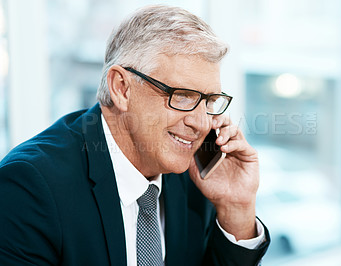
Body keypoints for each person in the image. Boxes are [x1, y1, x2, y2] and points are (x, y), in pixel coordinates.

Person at [0, 5, 270, 266]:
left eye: (209, 100)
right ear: (121, 88)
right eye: (183, 96)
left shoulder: (194, 176)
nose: (200, 124)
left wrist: (237, 208)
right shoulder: (30, 186)